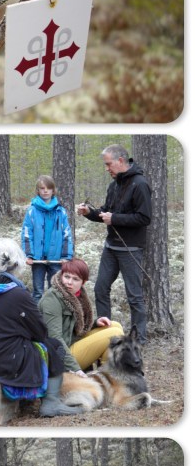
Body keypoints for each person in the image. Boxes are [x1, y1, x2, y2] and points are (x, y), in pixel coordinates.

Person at [0, 238, 81, 418]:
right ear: (17, 264)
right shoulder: (19, 295)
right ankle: (51, 403)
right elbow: (40, 334)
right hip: (3, 366)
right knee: (54, 346)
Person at [77, 144, 152, 343]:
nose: (107, 168)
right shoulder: (114, 185)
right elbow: (105, 213)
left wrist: (116, 218)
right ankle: (106, 334)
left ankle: (139, 340)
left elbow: (145, 218)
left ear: (120, 160)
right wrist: (89, 213)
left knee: (134, 296)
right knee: (101, 288)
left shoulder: (140, 184)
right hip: (110, 247)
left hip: (130, 249)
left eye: (108, 164)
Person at [39, 259, 125, 373]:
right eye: (67, 277)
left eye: (75, 279)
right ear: (61, 276)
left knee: (115, 326)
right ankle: (106, 377)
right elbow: (54, 339)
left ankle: (105, 374)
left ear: (83, 282)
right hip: (57, 356)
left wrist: (95, 323)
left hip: (71, 341)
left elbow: (75, 328)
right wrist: (76, 369)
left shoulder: (76, 294)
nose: (69, 282)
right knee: (115, 334)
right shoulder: (52, 299)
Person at [22, 175, 73, 302]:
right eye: (42, 188)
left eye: (48, 188)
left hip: (56, 260)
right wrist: (29, 255)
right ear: (38, 190)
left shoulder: (61, 212)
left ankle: (51, 317)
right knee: (38, 292)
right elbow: (27, 234)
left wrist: (66, 256)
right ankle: (35, 319)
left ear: (53, 190)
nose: (45, 191)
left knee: (54, 291)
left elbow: (66, 234)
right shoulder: (32, 211)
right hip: (37, 260)